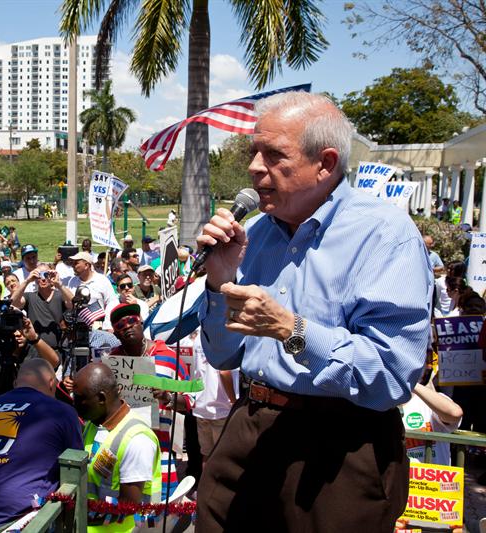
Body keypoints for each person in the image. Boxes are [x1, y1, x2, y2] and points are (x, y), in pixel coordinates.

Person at [195, 91, 433, 531]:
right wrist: (218, 282)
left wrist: (292, 330)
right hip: (248, 429)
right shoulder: (255, 235)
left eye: (273, 154)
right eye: (254, 152)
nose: (254, 167)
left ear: (324, 163)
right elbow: (223, 355)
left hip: (338, 450)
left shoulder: (385, 235)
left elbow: (391, 375)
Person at [0, 359, 83, 533]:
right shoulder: (61, 411)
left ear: (16, 383)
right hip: (21, 523)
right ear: (52, 383)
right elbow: (75, 470)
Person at [108, 303, 190, 498]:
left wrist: (168, 397)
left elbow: (189, 401)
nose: (127, 326)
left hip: (160, 452)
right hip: (122, 452)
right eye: (120, 325)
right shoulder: (112, 362)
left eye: (131, 320)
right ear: (116, 333)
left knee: (160, 513)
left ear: (141, 322)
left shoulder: (169, 357)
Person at [72, 362, 161, 532]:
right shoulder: (94, 424)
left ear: (101, 399)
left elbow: (127, 507)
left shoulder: (137, 439)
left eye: (80, 398)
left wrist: (77, 516)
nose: (74, 403)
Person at [189, 328, 237, 465]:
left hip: (201, 405)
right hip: (221, 407)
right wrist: (234, 401)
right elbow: (224, 372)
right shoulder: (223, 338)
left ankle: (206, 486)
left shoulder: (198, 337)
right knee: (223, 457)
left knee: (207, 455)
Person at [11, 263, 73, 352]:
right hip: (34, 350)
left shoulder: (60, 296)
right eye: (39, 275)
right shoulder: (30, 297)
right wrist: (27, 281)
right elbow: (13, 303)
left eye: (46, 274)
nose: (43, 279)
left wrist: (59, 284)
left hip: (56, 350)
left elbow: (73, 304)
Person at [65, 252, 118, 327]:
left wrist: (107, 324)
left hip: (98, 325)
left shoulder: (102, 280)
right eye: (72, 263)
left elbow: (112, 303)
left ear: (86, 265)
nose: (73, 266)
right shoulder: (72, 281)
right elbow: (69, 304)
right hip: (76, 326)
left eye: (76, 263)